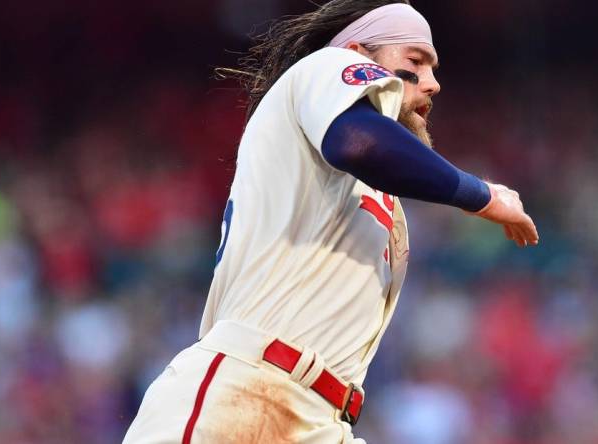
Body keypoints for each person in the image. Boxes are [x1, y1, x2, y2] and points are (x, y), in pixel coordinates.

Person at [123, 1, 539, 443]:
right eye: (415, 61)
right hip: (246, 388)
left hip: (321, 418)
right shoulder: (326, 66)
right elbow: (359, 143)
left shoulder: (374, 197)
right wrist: (481, 195)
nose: (433, 83)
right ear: (359, 53)